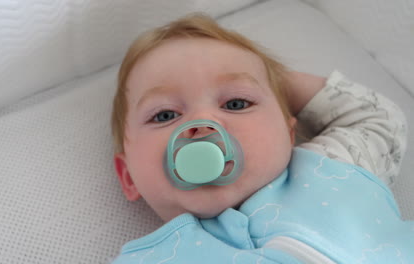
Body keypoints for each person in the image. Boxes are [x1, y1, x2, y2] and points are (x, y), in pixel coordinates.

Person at [110, 13, 413, 263]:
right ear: (129, 177)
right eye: (164, 115)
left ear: (289, 131)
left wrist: (276, 79)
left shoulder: (331, 162)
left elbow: (377, 118)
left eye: (236, 103)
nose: (201, 125)